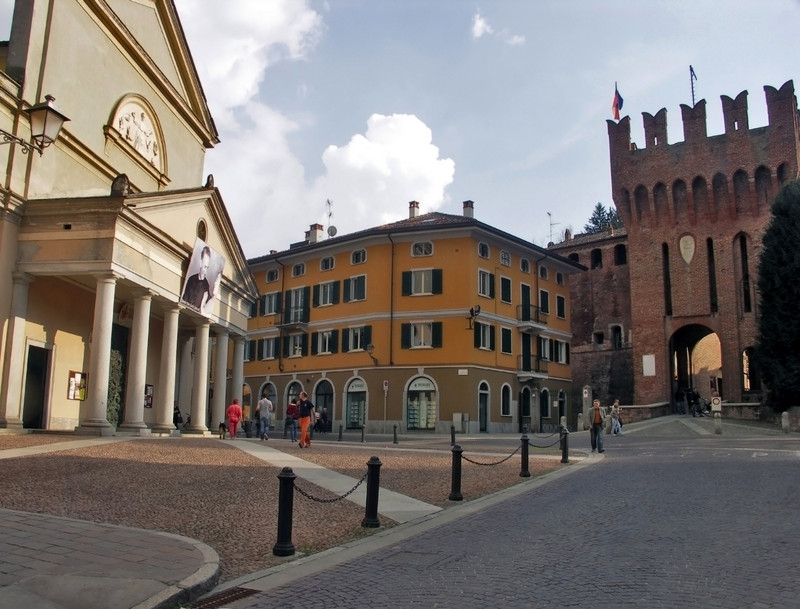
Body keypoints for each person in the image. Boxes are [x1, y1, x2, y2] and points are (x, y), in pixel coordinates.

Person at [182, 246, 212, 311]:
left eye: (207, 267)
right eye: (204, 267)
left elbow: (206, 306)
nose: (205, 271)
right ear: (201, 263)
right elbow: (185, 296)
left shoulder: (206, 286)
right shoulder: (191, 279)